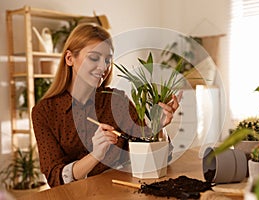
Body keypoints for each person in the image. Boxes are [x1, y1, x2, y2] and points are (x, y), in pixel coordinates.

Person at [32, 23, 181, 188]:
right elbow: (55, 179)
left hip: (122, 191)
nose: (104, 67)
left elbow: (160, 158)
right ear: (69, 59)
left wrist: (158, 126)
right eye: (94, 58)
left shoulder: (116, 100)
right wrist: (96, 155)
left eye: (108, 60)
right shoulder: (44, 112)